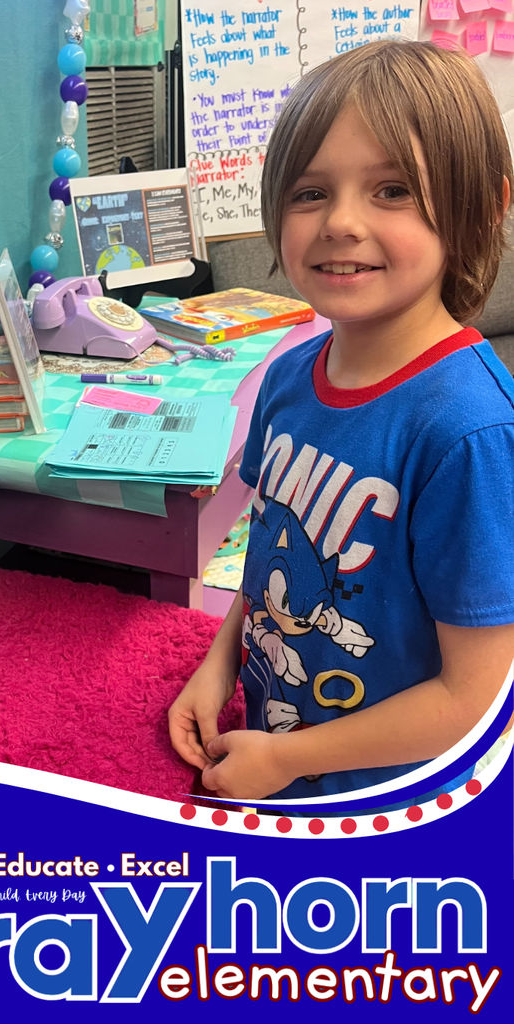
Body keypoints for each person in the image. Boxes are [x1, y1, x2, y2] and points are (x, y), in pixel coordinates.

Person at [168, 40, 514, 801]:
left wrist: (288, 759)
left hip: (389, 805)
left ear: (483, 207)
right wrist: (217, 667)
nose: (341, 222)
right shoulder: (288, 376)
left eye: (392, 190)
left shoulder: (470, 434)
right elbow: (269, 555)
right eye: (310, 192)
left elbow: (477, 698)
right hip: (273, 755)